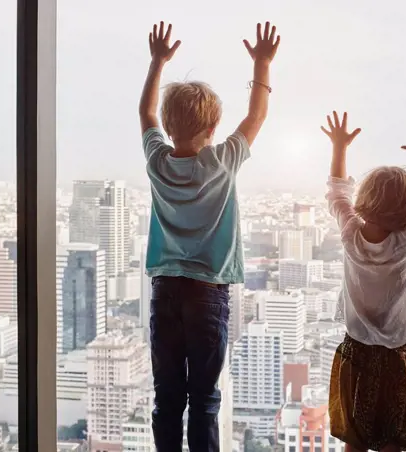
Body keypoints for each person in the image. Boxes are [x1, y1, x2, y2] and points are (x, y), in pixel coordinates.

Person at [138, 21, 280, 451]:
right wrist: (261, 65)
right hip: (208, 292)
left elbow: (145, 113)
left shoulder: (157, 161)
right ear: (214, 127)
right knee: (204, 398)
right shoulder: (222, 161)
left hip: (165, 290)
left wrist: (157, 63)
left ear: (168, 124)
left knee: (167, 397)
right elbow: (256, 116)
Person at [322, 112, 406, 452]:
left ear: (365, 200)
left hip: (355, 350)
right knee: (392, 437)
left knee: (355, 438)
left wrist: (339, 147)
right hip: (393, 354)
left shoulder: (350, 233)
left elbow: (336, 190)